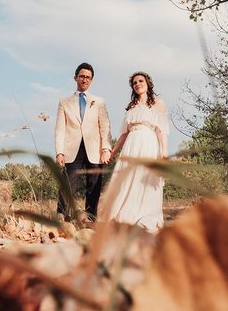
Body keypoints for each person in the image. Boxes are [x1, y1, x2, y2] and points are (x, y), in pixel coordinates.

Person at [100, 71, 168, 231]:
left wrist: (164, 153)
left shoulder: (158, 104)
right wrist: (113, 152)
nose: (137, 84)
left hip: (149, 143)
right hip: (131, 145)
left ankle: (145, 216)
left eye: (140, 81)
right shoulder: (131, 107)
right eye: (134, 83)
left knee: (145, 178)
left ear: (148, 83)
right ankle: (124, 216)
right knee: (128, 177)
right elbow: (124, 134)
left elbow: (161, 130)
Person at [55, 63, 112, 220]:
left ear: (91, 80)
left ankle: (91, 218)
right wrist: (59, 152)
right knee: (68, 184)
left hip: (95, 149)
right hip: (72, 150)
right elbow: (60, 129)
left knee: (94, 185)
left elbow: (105, 126)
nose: (85, 79)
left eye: (88, 77)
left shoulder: (99, 102)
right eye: (82, 76)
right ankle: (61, 217)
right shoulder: (64, 102)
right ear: (75, 78)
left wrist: (106, 149)